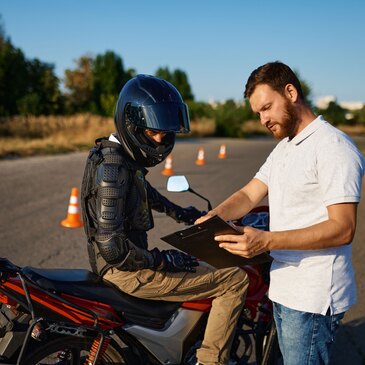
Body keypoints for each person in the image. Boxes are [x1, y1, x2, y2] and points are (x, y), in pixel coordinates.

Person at [196, 62, 365, 364]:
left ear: (290, 92)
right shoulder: (286, 148)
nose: (262, 119)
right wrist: (215, 217)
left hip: (313, 297)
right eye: (258, 113)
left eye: (267, 108)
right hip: (285, 289)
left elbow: (343, 228)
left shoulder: (334, 147)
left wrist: (266, 241)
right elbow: (250, 193)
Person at [80, 74, 249, 365]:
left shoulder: (120, 159)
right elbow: (112, 248)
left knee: (199, 263)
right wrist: (161, 260)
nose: (161, 138)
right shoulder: (112, 168)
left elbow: (147, 194)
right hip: (127, 271)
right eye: (154, 131)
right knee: (234, 279)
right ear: (132, 123)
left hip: (130, 265)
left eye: (165, 131)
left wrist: (184, 214)